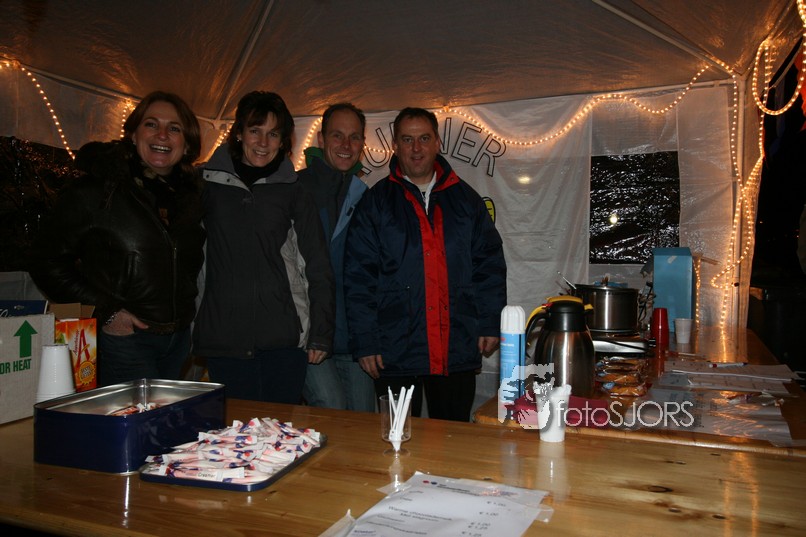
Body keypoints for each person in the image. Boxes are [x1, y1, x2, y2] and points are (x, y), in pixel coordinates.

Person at [28, 90, 205, 386]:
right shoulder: (97, 191)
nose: (162, 135)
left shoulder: (189, 199)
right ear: (133, 135)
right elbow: (45, 260)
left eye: (174, 128)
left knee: (165, 416)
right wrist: (107, 312)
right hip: (124, 340)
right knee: (137, 417)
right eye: (151, 124)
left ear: (186, 144)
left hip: (177, 342)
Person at [344, 107, 507, 421]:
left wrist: (490, 322)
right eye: (407, 139)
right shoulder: (375, 203)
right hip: (394, 351)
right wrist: (365, 341)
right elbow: (358, 278)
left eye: (424, 139)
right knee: (397, 439)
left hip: (455, 349)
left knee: (453, 438)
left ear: (437, 143)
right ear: (395, 145)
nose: (416, 148)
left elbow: (489, 266)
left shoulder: (467, 201)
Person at [193, 91, 334, 404]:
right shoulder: (205, 186)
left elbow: (317, 265)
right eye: (255, 130)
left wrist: (320, 333)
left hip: (282, 340)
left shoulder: (294, 192)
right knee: (233, 430)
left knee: (279, 429)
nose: (263, 142)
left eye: (273, 134)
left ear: (283, 141)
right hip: (224, 338)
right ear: (239, 133)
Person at [299, 103, 376, 412]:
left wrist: (369, 337)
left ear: (362, 144)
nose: (346, 145)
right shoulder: (295, 189)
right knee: (330, 408)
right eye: (337, 135)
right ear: (321, 139)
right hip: (308, 335)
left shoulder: (365, 196)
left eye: (354, 137)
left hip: (352, 338)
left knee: (364, 420)